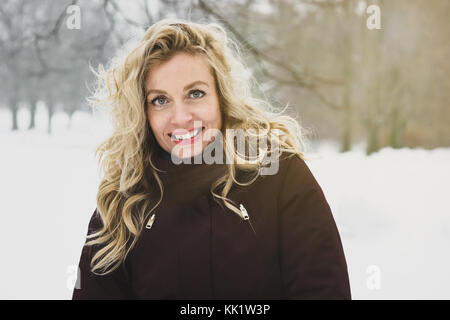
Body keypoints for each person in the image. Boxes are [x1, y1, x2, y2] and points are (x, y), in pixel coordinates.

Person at [72, 19, 351, 300]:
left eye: (196, 94)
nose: (180, 117)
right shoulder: (124, 202)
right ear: (142, 112)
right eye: (160, 100)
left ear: (221, 96)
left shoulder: (279, 174)